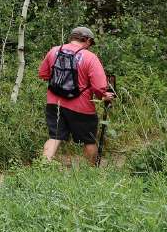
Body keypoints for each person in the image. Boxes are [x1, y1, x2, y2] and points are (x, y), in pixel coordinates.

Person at [37, 26, 114, 165]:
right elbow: (100, 87)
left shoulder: (54, 51)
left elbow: (43, 74)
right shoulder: (90, 57)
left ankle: (42, 168)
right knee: (89, 140)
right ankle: (91, 173)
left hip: (54, 104)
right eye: (90, 43)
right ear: (87, 40)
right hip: (82, 107)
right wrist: (104, 96)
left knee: (54, 137)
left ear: (71, 37)